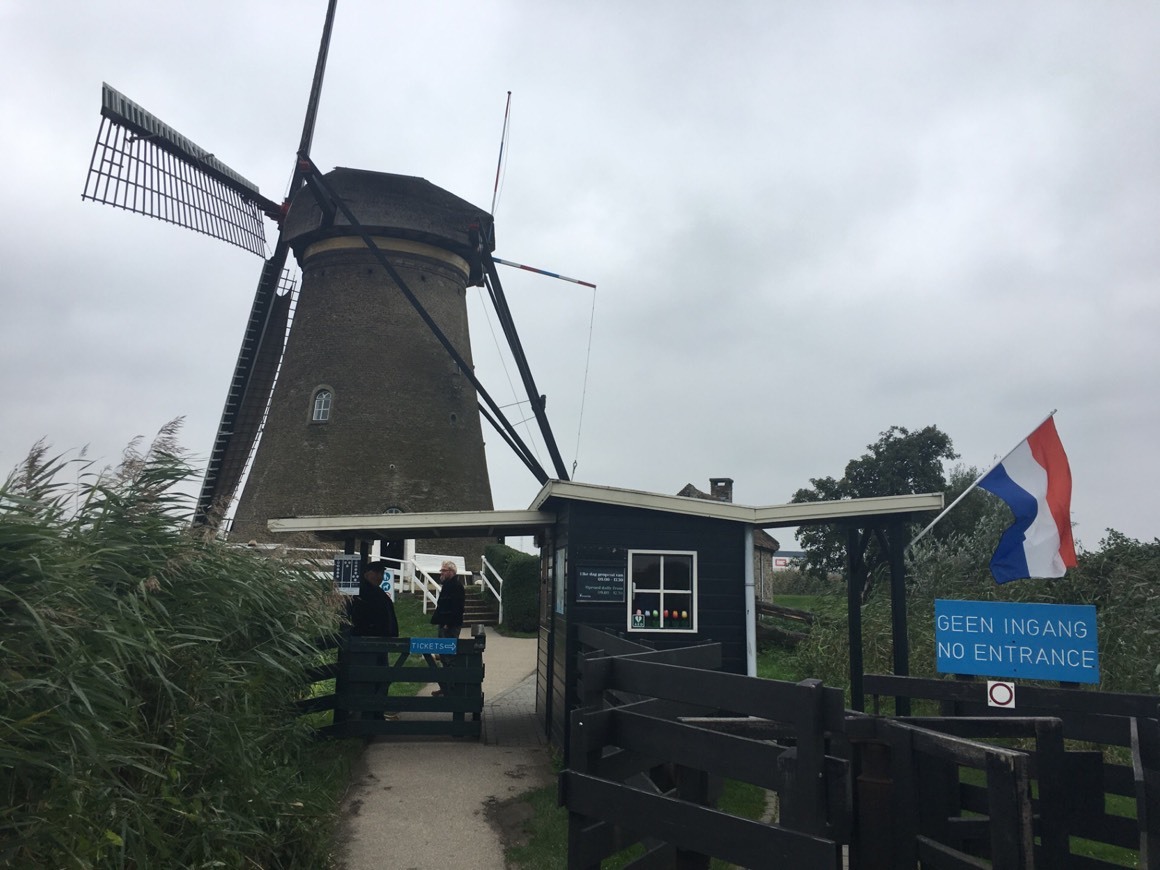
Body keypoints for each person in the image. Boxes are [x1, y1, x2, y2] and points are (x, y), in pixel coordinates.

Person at [350, 560, 399, 720]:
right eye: (377, 573)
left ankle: (376, 711)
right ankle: (368, 714)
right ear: (367, 573)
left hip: (379, 642)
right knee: (372, 678)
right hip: (369, 643)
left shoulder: (374, 591)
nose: (380, 577)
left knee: (380, 677)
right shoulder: (363, 592)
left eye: (382, 573)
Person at [429, 560, 465, 696]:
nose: (441, 573)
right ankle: (447, 687)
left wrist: (447, 623)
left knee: (449, 656)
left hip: (449, 626)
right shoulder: (449, 585)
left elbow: (457, 608)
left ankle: (451, 688)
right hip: (445, 624)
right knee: (444, 656)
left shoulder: (455, 586)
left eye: (443, 570)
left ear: (451, 572)